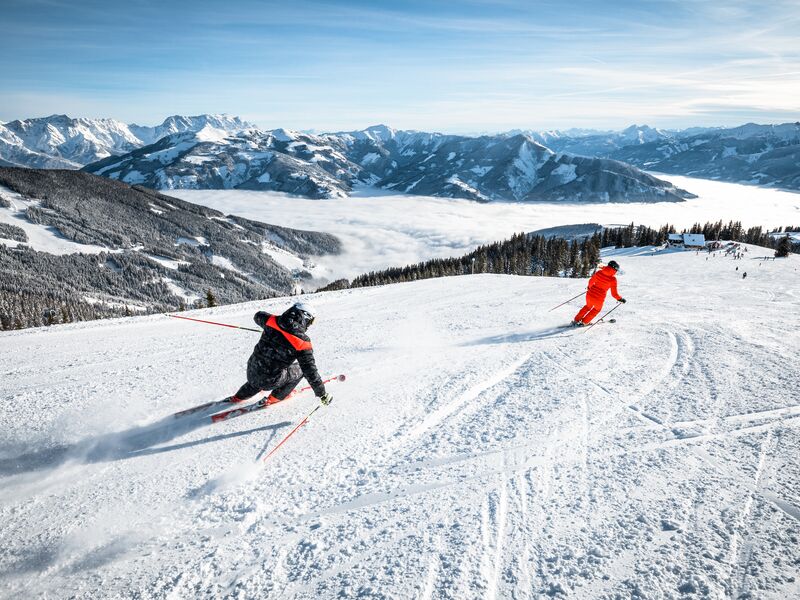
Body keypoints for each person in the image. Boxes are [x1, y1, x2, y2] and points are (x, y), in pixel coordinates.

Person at [229, 302, 332, 407]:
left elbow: (258, 315)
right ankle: (273, 399)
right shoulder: (302, 342)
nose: (309, 325)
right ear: (305, 318)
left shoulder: (271, 321)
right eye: (310, 321)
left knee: (261, 373)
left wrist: (271, 327)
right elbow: (310, 372)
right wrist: (322, 394)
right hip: (269, 381)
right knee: (300, 371)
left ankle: (238, 397)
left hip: (251, 371)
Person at [572, 260, 626, 326]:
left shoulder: (599, 272)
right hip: (599, 298)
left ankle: (576, 319)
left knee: (587, 307)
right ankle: (584, 322)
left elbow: (591, 281)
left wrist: (589, 288)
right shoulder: (613, 279)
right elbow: (614, 294)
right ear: (615, 269)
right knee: (596, 310)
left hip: (590, 294)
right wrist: (620, 299)